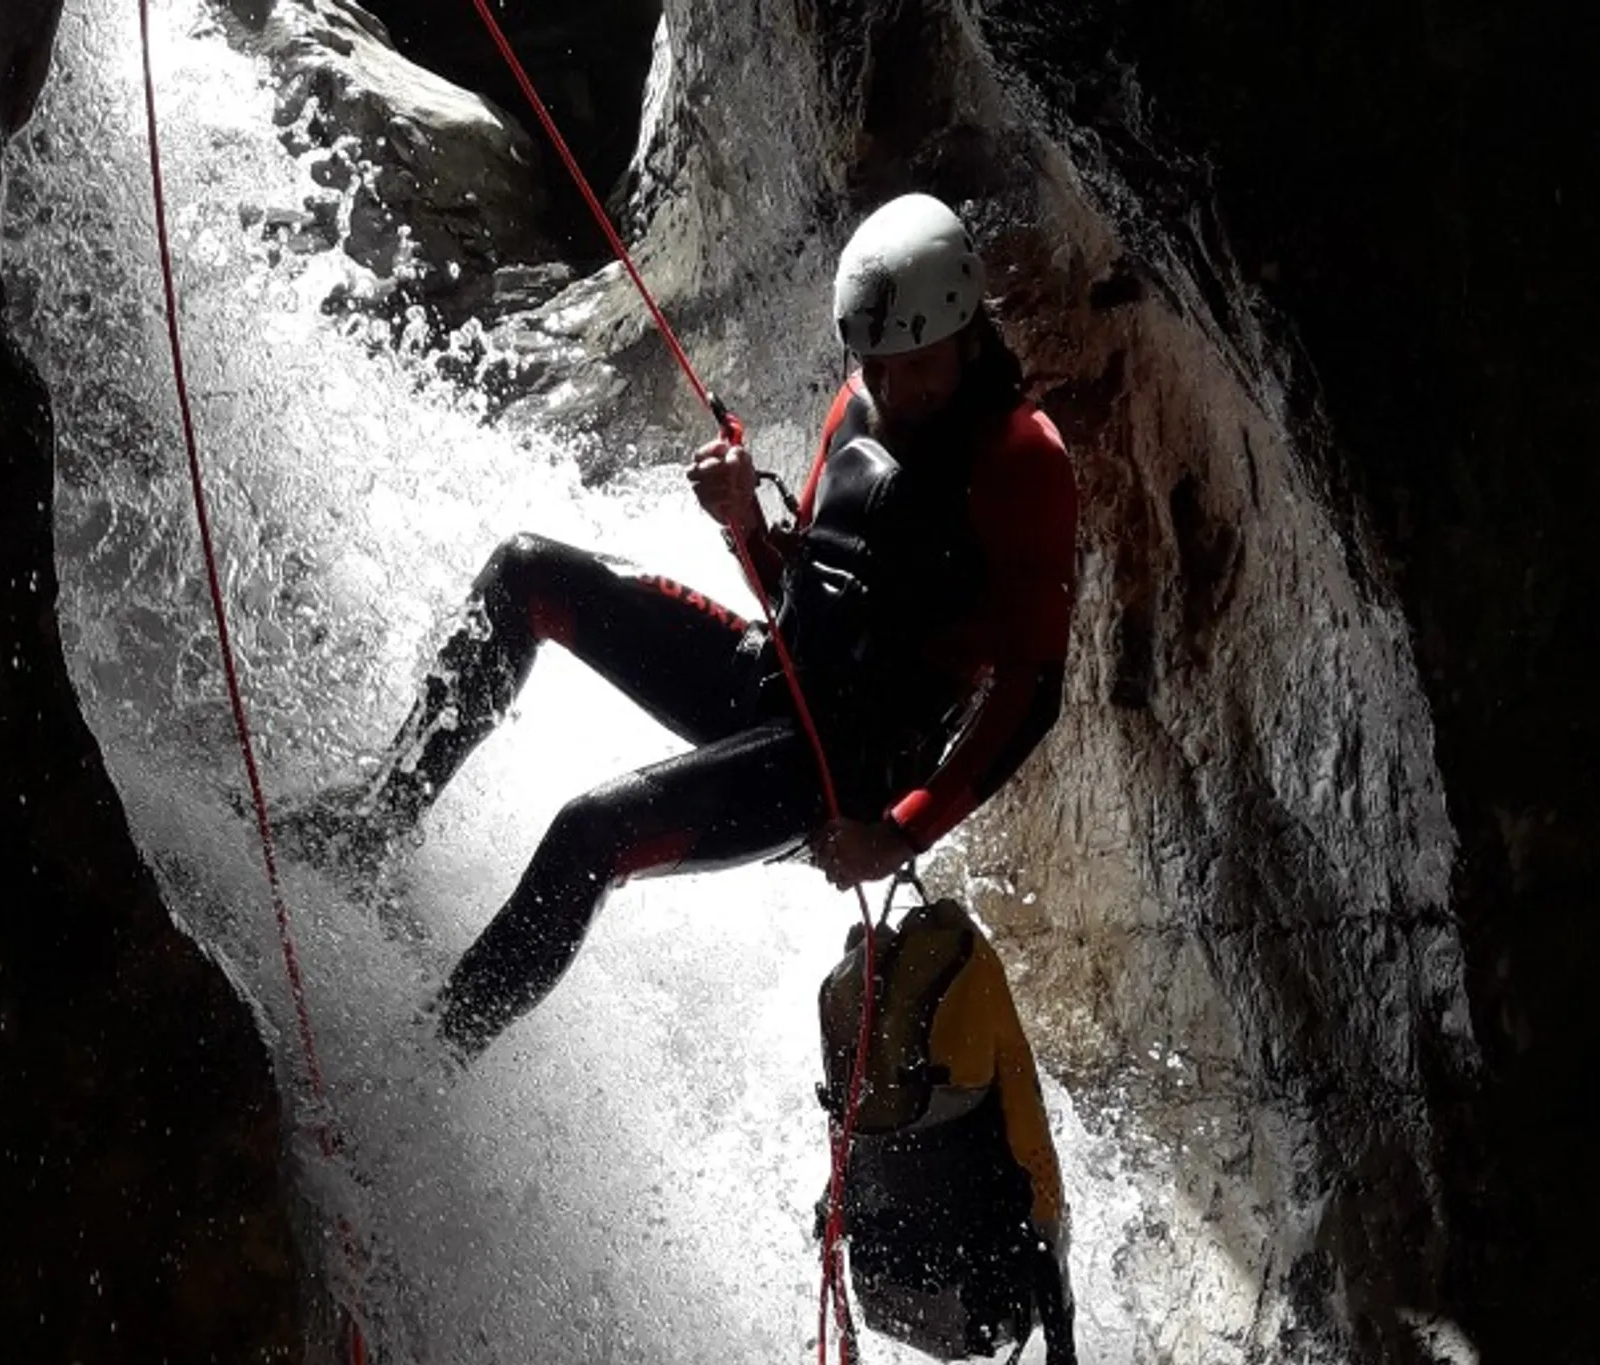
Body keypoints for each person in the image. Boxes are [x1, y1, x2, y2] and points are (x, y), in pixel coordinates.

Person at [278, 192, 1080, 1067]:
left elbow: (1032, 691)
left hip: (840, 767)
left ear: (967, 334)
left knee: (590, 833)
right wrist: (742, 521)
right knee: (525, 573)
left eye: (916, 365)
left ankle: (423, 1062)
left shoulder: (1024, 462)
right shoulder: (861, 404)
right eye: (877, 364)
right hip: (778, 674)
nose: (894, 388)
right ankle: (378, 820)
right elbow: (802, 593)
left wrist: (898, 833)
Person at [815, 889, 1077, 1365]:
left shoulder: (1001, 1301)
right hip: (939, 1272)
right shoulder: (1005, 1302)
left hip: (902, 1259)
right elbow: (1028, 1133)